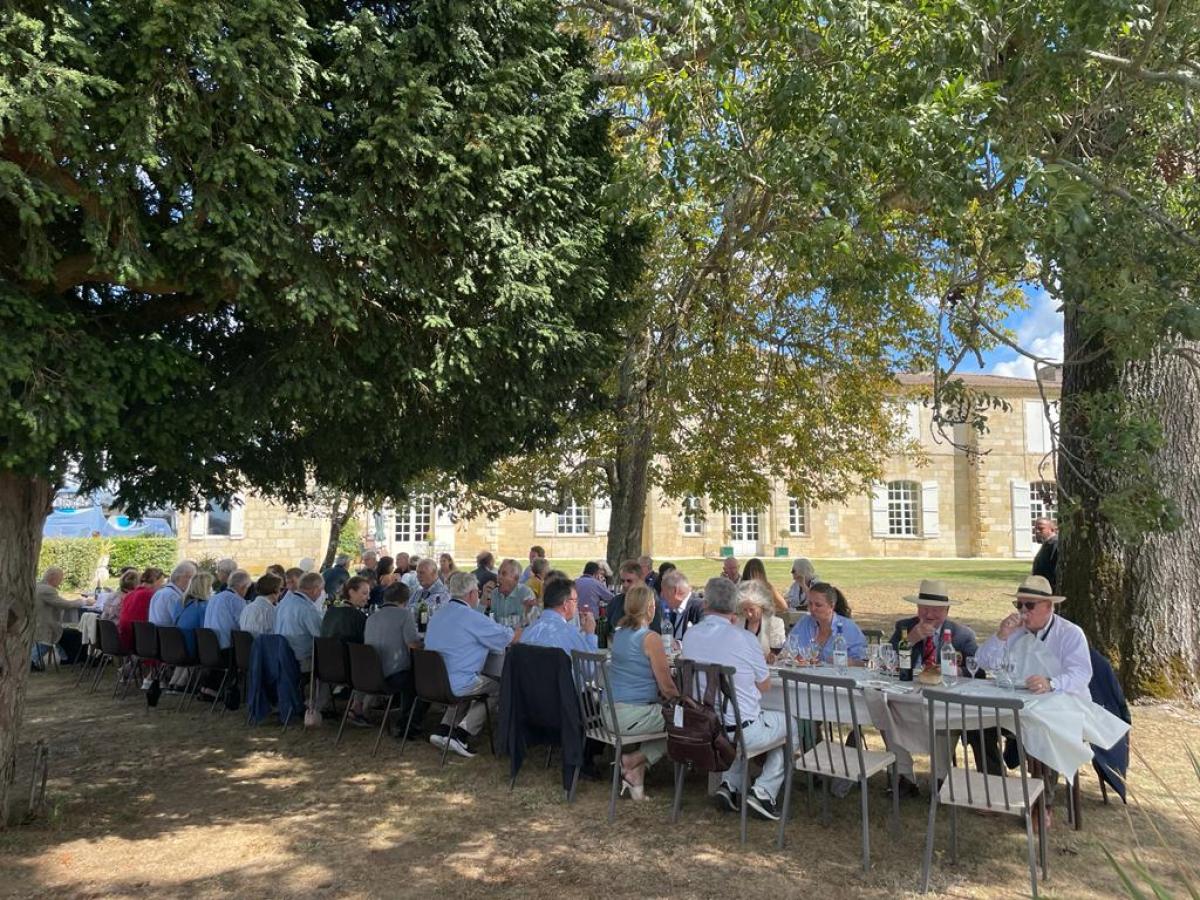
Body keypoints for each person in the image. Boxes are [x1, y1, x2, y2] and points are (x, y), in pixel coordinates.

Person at [681, 577, 787, 821]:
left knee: (744, 724)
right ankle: (764, 791)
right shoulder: (744, 638)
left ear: (705, 604)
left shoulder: (691, 636)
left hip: (704, 725)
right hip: (736, 729)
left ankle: (730, 783)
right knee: (790, 724)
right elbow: (765, 686)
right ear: (734, 607)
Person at [887, 579, 990, 796]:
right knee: (886, 710)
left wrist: (955, 671)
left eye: (936, 609)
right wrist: (911, 639)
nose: (929, 614)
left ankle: (940, 779)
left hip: (944, 698)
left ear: (947, 611)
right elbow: (887, 660)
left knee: (946, 720)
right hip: (908, 693)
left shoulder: (962, 634)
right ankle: (903, 775)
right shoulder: (905, 627)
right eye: (924, 608)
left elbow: (978, 671)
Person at [424, 572, 520, 758]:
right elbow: (509, 637)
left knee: (469, 680)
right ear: (471, 594)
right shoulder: (473, 618)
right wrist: (526, 629)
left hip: (432, 682)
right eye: (478, 592)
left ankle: (444, 728)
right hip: (456, 684)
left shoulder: (438, 614)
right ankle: (462, 734)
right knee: (498, 686)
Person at [606, 584, 680, 800]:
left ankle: (635, 775)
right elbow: (667, 687)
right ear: (650, 608)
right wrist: (683, 704)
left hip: (609, 712)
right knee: (685, 722)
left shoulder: (619, 634)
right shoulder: (650, 638)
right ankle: (632, 760)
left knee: (674, 717)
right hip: (631, 716)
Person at [975, 576, 1092, 697]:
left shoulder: (1069, 633)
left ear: (1048, 606)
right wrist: (1001, 636)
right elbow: (982, 662)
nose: (1023, 610)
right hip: (1022, 698)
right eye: (1019, 605)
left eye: (1029, 605)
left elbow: (1081, 674)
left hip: (1064, 700)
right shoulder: (1013, 630)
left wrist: (1051, 683)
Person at [364, 582, 424, 739]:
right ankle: (409, 723)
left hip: (370, 674)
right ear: (406, 600)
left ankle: (406, 718)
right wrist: (425, 643)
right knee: (421, 679)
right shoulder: (404, 615)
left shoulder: (371, 617)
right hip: (393, 675)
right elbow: (413, 645)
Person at [787, 582, 867, 665]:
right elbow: (788, 650)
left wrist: (846, 662)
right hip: (805, 672)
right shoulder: (805, 622)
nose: (812, 608)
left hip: (838, 673)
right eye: (810, 604)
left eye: (818, 605)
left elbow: (863, 662)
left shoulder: (848, 627)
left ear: (832, 606)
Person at [519, 577, 597, 656]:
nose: (576, 605)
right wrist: (590, 633)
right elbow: (590, 662)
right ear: (565, 604)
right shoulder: (570, 633)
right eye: (575, 600)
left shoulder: (527, 632)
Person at [32, 566, 85, 668]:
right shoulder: (47, 590)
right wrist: (83, 602)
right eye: (60, 578)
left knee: (66, 634)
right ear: (53, 577)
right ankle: (31, 661)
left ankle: (66, 658)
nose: (61, 581)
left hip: (38, 623)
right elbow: (65, 604)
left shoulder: (38, 586)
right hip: (45, 626)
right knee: (71, 634)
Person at [275, 571, 325, 669]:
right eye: (321, 590)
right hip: (300, 661)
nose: (321, 594)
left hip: (280, 656)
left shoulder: (283, 603)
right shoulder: (307, 609)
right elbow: (321, 636)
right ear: (315, 590)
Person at [607, 560, 663, 634]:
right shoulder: (616, 601)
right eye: (622, 581)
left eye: (629, 581)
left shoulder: (650, 600)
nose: (625, 585)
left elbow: (655, 629)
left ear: (641, 580)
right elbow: (608, 629)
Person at [117, 567, 165, 652]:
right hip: (140, 643)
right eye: (162, 583)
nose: (163, 586)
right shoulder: (152, 595)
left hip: (125, 639)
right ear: (155, 581)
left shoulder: (129, 595)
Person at [737, 579, 786, 662]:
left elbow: (778, 654)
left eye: (752, 609)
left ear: (762, 607)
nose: (749, 614)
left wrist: (773, 656)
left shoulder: (775, 624)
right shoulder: (737, 623)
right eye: (745, 610)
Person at [204, 570, 251, 649]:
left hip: (209, 647)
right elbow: (245, 625)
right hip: (227, 648)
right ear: (243, 587)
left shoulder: (214, 598)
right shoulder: (236, 600)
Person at [173, 571, 214, 657]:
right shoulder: (203, 606)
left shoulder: (180, 602)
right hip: (192, 650)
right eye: (210, 586)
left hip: (176, 647)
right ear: (205, 588)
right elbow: (206, 632)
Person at [322, 575, 370, 644]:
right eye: (365, 593)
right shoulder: (358, 617)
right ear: (352, 592)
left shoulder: (330, 611)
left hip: (326, 650)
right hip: (349, 650)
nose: (368, 597)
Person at [149, 561, 196, 627]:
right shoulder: (173, 596)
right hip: (169, 632)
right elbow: (182, 622)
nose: (192, 582)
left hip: (156, 632)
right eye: (191, 578)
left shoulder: (159, 592)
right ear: (181, 577)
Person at [660, 569, 703, 642]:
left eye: (664, 591)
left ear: (675, 591)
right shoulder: (675, 610)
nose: (662, 595)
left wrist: (678, 645)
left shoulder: (699, 608)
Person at [489, 558, 536, 623]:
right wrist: (484, 600)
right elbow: (486, 620)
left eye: (504, 574)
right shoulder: (494, 593)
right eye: (498, 573)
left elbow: (533, 623)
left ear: (516, 579)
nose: (499, 577)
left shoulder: (526, 593)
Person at [1031, 517, 1059, 593]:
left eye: (1041, 528)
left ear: (1052, 529)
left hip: (1049, 590)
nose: (1037, 531)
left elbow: (1055, 571)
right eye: (1036, 529)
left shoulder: (1055, 544)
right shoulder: (1047, 544)